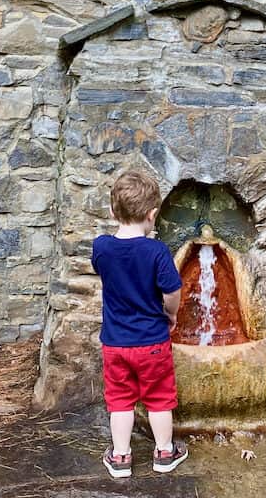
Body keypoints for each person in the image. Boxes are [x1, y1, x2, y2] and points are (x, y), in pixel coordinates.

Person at [92, 170, 188, 478]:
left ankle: (120, 457)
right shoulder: (157, 251)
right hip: (152, 343)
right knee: (159, 398)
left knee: (119, 401)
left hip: (115, 344)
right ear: (152, 215)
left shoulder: (102, 247)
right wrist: (170, 313)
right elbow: (173, 290)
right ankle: (164, 452)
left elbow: (107, 273)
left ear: (112, 212)